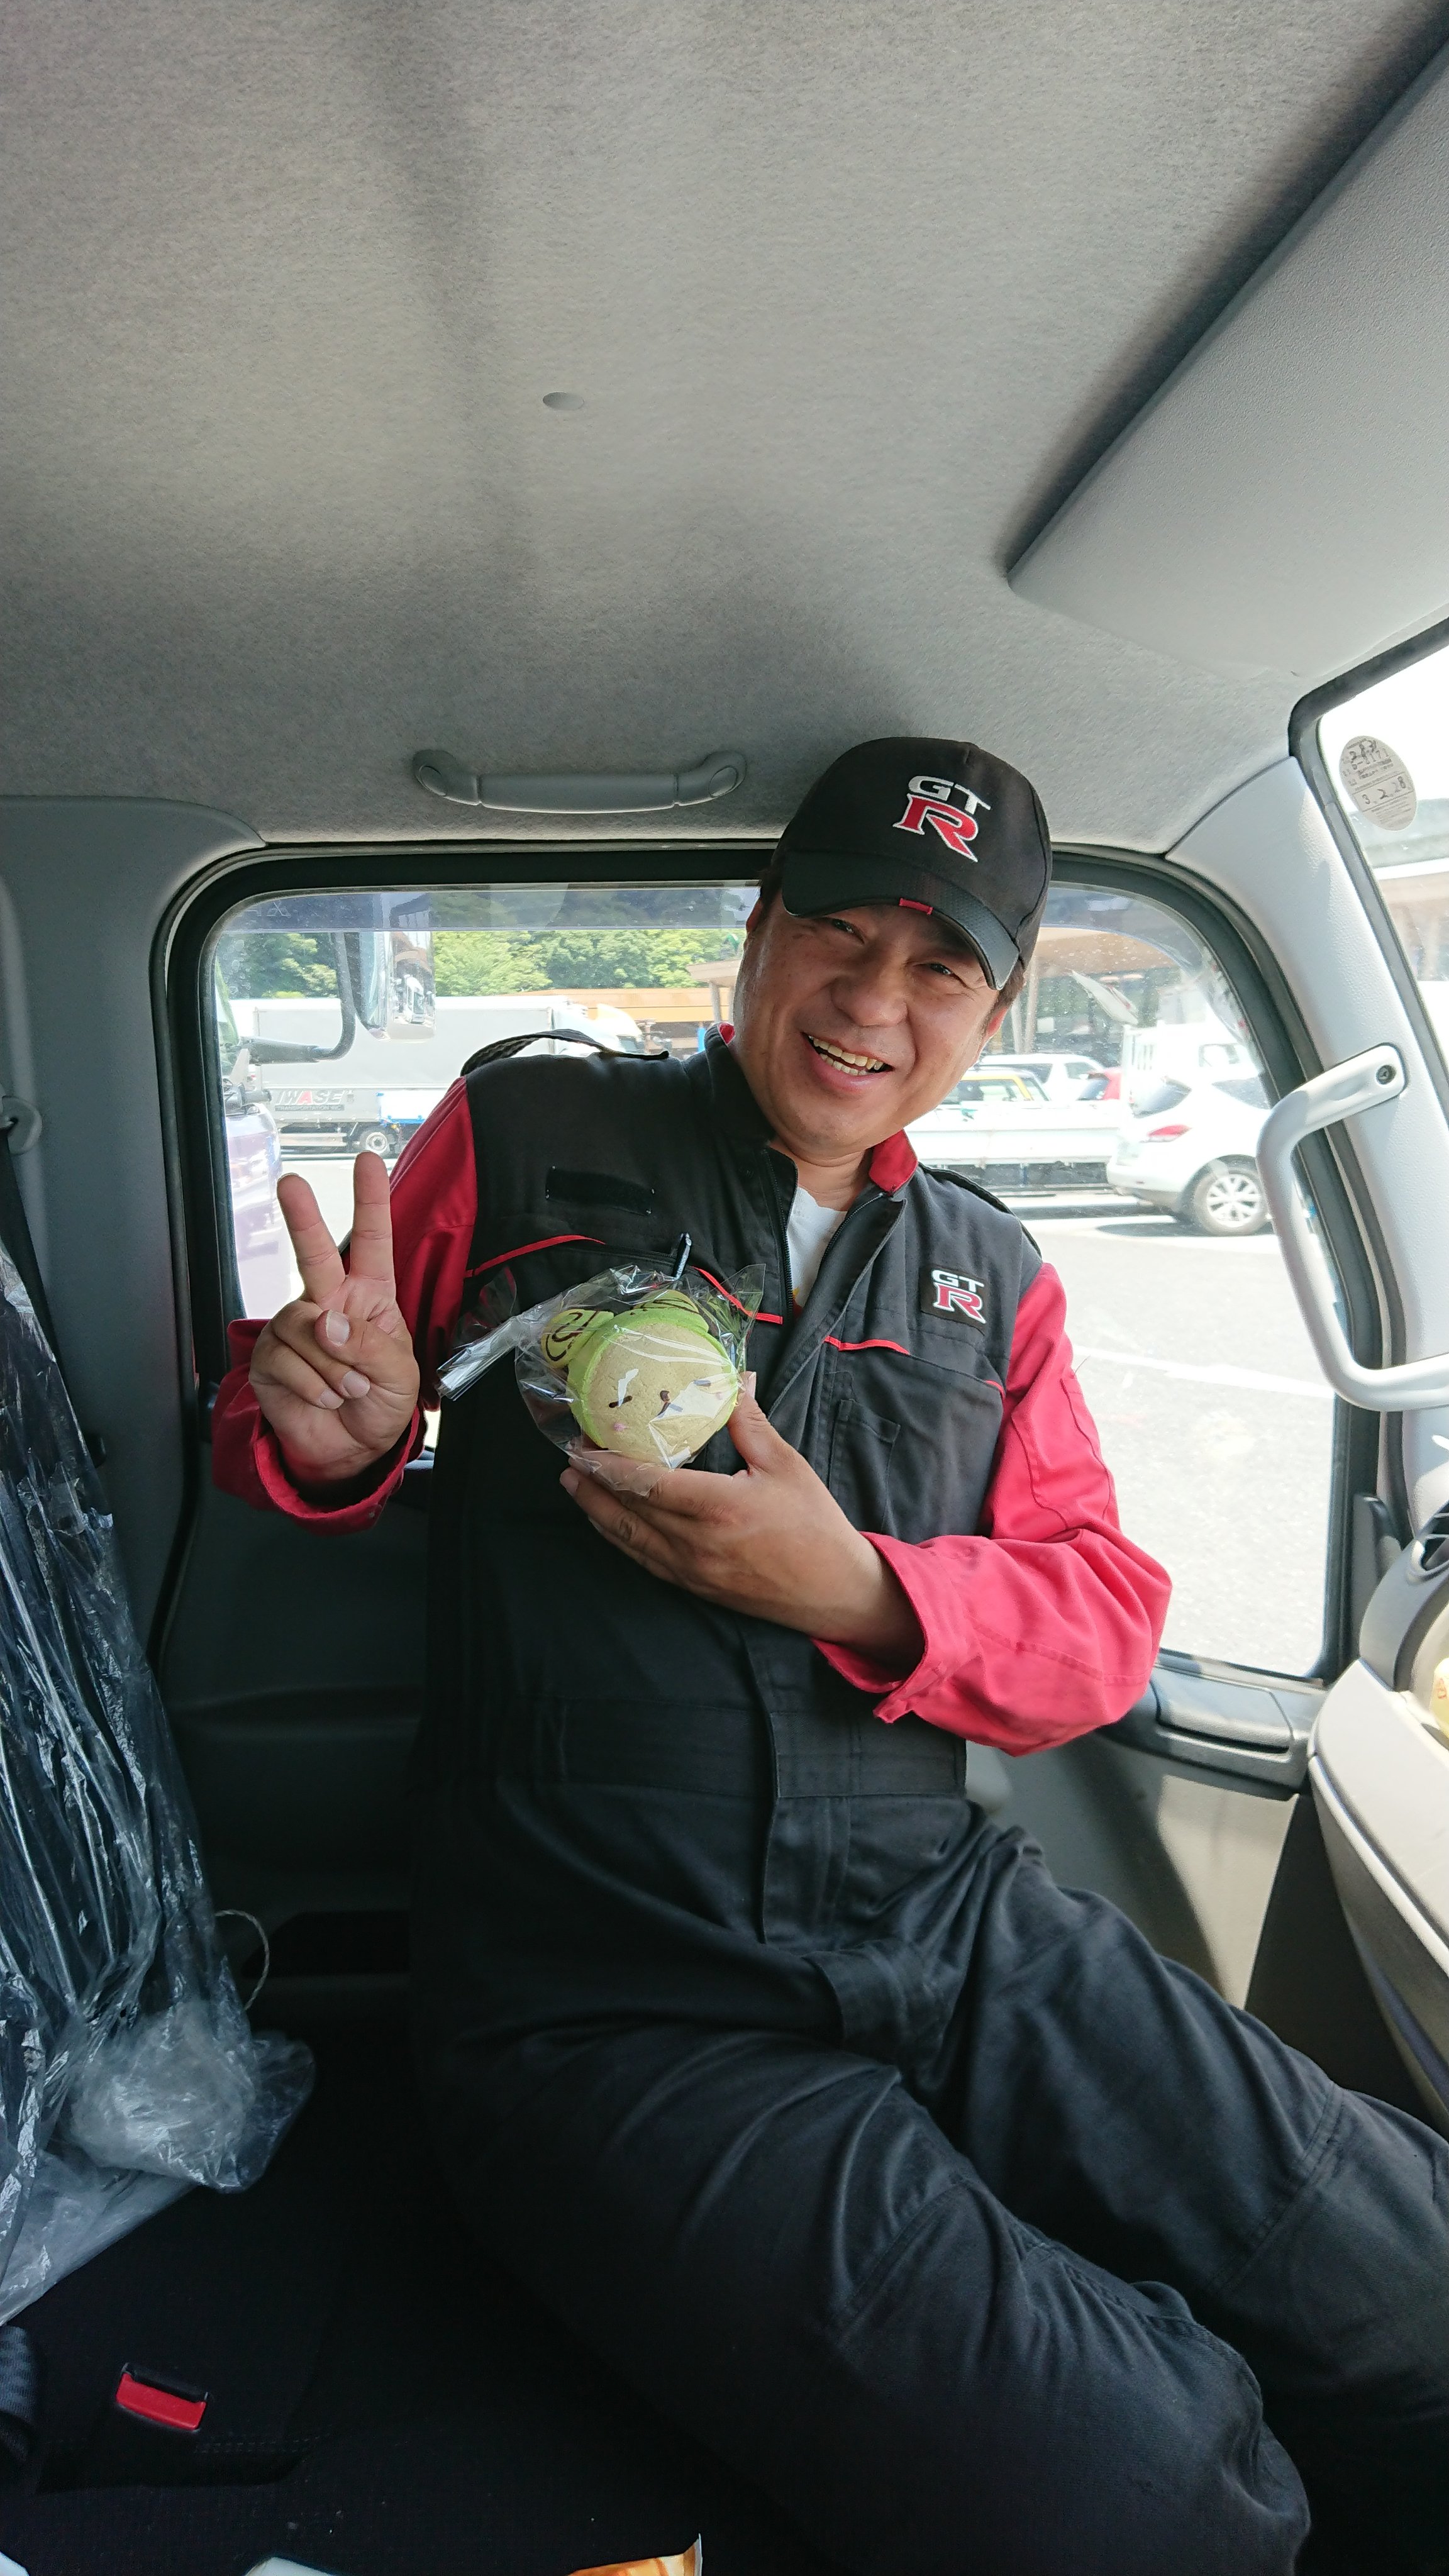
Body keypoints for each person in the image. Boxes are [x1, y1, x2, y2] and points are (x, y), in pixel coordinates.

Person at [214, 738, 1446, 2576]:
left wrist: (866, 1590)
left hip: (951, 1933)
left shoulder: (992, 1270)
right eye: (839, 934)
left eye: (938, 965)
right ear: (759, 929)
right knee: (1146, 2494)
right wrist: (331, 1423)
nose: (873, 1002)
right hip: (609, 2000)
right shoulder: (532, 1128)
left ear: (999, 1005)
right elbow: (322, 1413)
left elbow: (1100, 1624)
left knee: (1409, 2271)